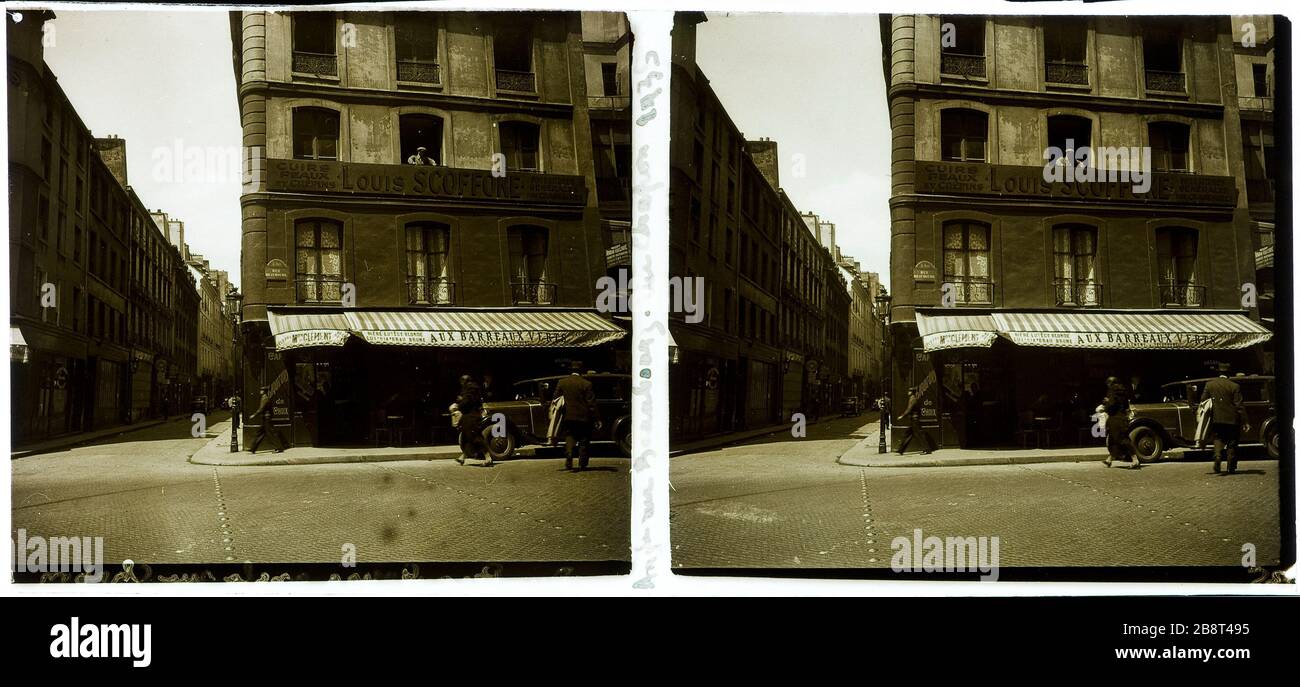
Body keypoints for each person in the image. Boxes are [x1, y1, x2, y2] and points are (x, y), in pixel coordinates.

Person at [555, 361, 600, 471]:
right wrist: (596, 418)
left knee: (570, 436)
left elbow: (556, 398)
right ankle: (582, 463)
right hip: (584, 417)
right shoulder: (586, 384)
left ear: (570, 371)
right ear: (581, 371)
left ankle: (569, 454)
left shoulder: (562, 382)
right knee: (584, 439)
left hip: (568, 416)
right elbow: (591, 403)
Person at [1205, 368, 1248, 474]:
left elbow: (1203, 400)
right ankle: (1231, 466)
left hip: (1216, 419)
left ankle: (1218, 456)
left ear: (1219, 374)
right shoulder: (1234, 386)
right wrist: (1245, 421)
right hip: (1232, 420)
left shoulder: (1210, 385)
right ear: (1228, 374)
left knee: (1218, 438)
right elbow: (1239, 405)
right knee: (1232, 442)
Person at [453, 375, 491, 467]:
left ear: (464, 381)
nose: (461, 384)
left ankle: (488, 457)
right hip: (469, 415)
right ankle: (463, 457)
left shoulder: (470, 389)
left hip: (472, 415)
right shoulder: (472, 389)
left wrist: (459, 403)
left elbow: (467, 402)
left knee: (475, 436)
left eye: (462, 382)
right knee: (468, 436)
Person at [1101, 376, 1138, 469]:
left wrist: (1106, 402)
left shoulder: (1112, 391)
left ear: (1110, 383)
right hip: (1122, 417)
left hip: (1115, 418)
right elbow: (1126, 405)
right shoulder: (1123, 392)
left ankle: (1135, 459)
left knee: (1122, 439)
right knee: (1114, 440)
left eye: (1108, 384)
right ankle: (1109, 459)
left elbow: (1112, 405)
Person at [897, 385, 936, 455]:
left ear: (912, 392)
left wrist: (902, 416)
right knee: (908, 434)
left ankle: (927, 449)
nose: (908, 392)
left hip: (914, 420)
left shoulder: (912, 399)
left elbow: (909, 409)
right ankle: (901, 450)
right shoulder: (914, 398)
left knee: (918, 435)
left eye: (909, 391)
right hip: (914, 419)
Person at [248, 385, 286, 454]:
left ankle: (279, 448)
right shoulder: (264, 397)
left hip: (266, 419)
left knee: (270, 434)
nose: (260, 391)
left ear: (263, 391)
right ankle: (253, 448)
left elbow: (261, 409)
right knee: (260, 433)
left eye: (261, 390)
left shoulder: (265, 398)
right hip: (265, 418)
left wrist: (254, 415)